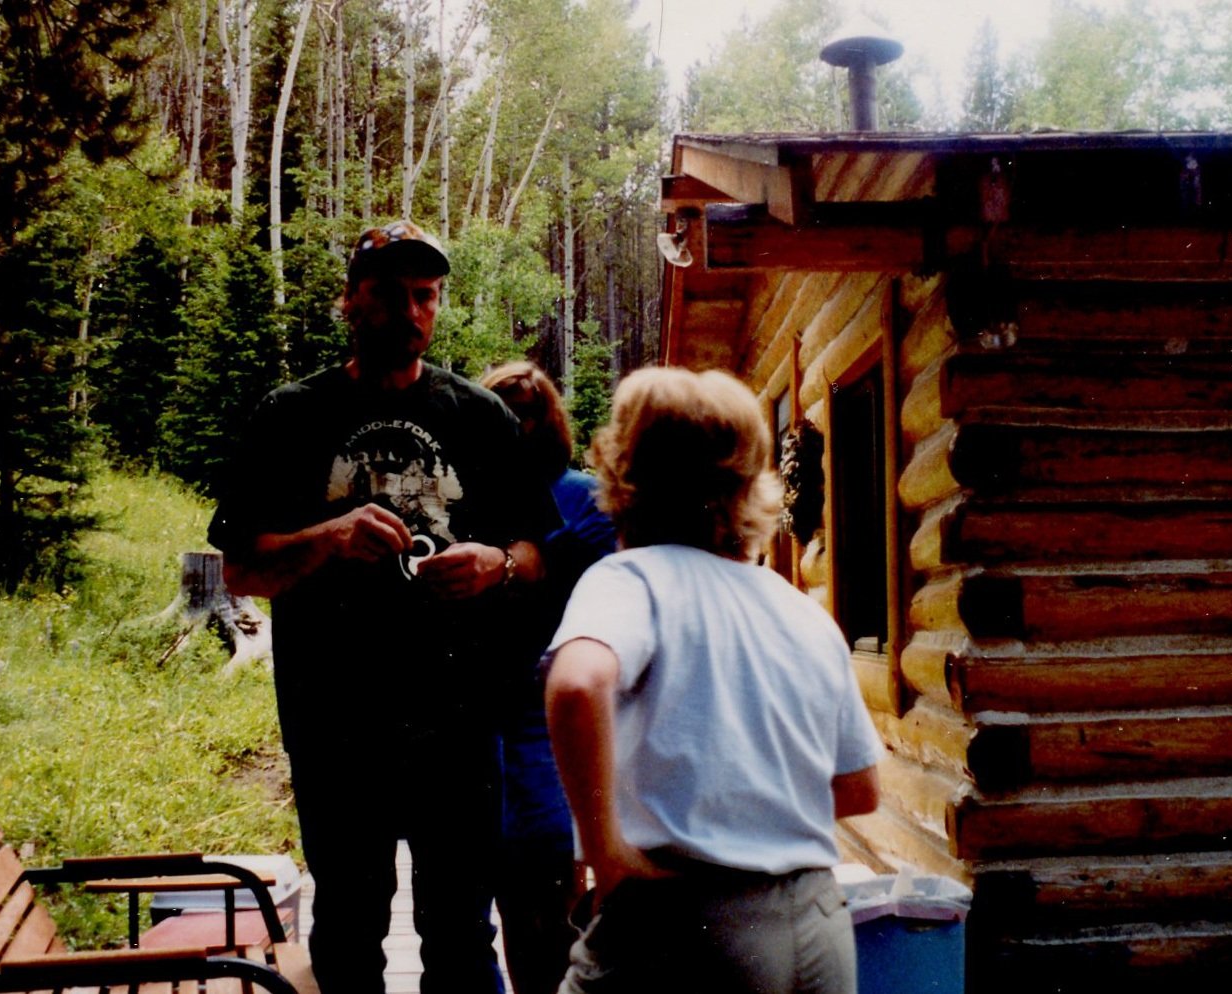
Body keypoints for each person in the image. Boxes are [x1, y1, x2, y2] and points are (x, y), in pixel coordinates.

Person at [207, 220, 559, 994]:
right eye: (390, 293)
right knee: (348, 929)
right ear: (350, 301)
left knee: (462, 936)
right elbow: (240, 568)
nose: (410, 311)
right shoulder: (291, 416)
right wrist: (329, 538)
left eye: (425, 295)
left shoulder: (480, 417)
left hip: (459, 726)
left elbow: (539, 555)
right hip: (335, 725)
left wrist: (496, 564)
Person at [543, 367, 884, 994]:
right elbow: (859, 788)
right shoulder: (799, 609)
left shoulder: (631, 579)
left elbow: (576, 685)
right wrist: (751, 815)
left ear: (620, 472)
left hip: (688, 924)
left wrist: (606, 851)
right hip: (817, 924)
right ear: (749, 484)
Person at [479, 362, 616, 994]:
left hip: (554, 711)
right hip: (480, 711)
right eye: (504, 412)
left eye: (529, 413)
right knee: (491, 898)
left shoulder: (585, 496)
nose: (519, 425)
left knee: (552, 889)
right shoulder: (470, 497)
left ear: (549, 420)